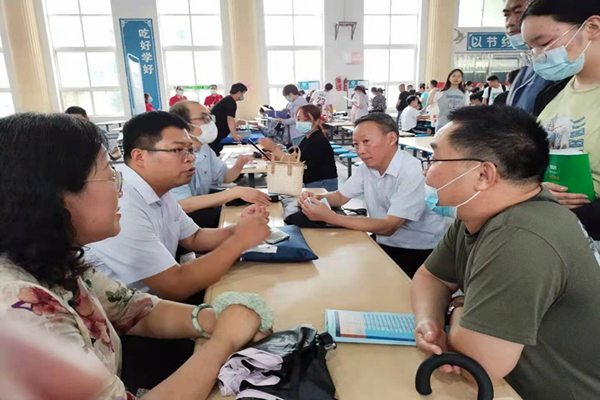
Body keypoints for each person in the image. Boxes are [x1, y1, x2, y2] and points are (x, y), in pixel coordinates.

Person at [0, 112, 268, 398]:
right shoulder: (18, 305)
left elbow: (134, 310)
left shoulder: (55, 261)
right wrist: (223, 342)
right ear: (53, 194)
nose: (120, 191)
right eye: (110, 177)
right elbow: (174, 286)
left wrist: (213, 319)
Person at [411, 105, 600, 400]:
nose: (427, 173)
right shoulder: (480, 212)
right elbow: (430, 277)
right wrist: (429, 323)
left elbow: (480, 364)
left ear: (483, 174)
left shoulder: (521, 237)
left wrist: (457, 305)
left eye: (435, 159)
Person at [86, 111, 270, 303]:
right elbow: (176, 287)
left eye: (190, 150)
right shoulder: (122, 203)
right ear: (139, 157)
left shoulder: (159, 189)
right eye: (177, 150)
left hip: (157, 302)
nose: (190, 158)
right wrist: (240, 240)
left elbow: (195, 237)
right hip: (136, 313)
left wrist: (241, 228)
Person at [299, 113, 447, 278]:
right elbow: (340, 197)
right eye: (356, 144)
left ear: (391, 138)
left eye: (366, 142)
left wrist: (330, 217)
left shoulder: (413, 171)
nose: (360, 151)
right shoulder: (367, 167)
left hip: (419, 251)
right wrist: (315, 199)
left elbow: (389, 226)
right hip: (384, 240)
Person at [524, 0, 600, 243]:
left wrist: (578, 213)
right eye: (531, 49)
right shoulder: (550, 94)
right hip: (551, 233)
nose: (538, 56)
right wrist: (535, 190)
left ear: (592, 27)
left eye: (544, 43)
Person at [169, 101, 271, 228]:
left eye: (210, 118)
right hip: (180, 223)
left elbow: (225, 177)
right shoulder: (171, 156)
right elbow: (183, 205)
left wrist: (239, 164)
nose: (210, 123)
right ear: (184, 124)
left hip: (200, 212)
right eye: (204, 118)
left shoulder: (204, 148)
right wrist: (235, 192)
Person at [259, 104, 338, 192]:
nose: (301, 122)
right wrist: (275, 157)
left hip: (322, 183)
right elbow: (293, 158)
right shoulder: (307, 138)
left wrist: (274, 148)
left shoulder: (317, 140)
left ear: (316, 121)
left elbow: (297, 163)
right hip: (313, 181)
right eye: (298, 119)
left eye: (306, 120)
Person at [503, 0, 552, 113]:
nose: (510, 22)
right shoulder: (528, 68)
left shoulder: (559, 67)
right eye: (506, 15)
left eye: (519, 12)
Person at [210, 82, 248, 154]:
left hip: (216, 131)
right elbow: (230, 119)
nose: (243, 96)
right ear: (239, 93)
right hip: (217, 132)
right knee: (215, 151)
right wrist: (234, 135)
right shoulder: (230, 102)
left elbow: (230, 119)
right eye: (243, 93)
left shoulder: (228, 100)